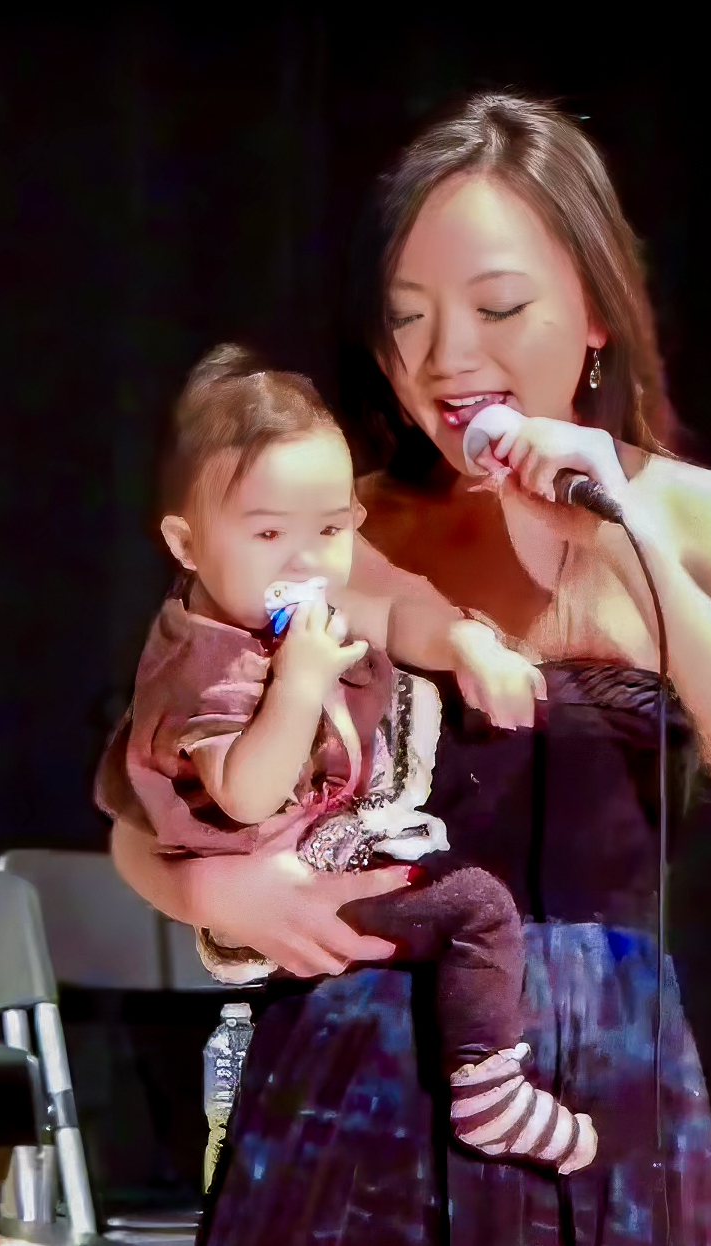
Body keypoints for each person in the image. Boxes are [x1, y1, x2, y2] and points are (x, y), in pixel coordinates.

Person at [106, 94, 711, 1244]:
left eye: (498, 307)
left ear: (596, 312)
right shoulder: (344, 526)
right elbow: (155, 781)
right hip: (348, 1067)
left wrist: (618, 536)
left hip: (599, 1081)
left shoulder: (704, 522)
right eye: (407, 321)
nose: (448, 359)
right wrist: (204, 889)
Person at [105, 343, 595, 1173]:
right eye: (267, 533)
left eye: (330, 529)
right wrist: (296, 687)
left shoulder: (287, 599)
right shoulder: (211, 664)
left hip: (341, 872)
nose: (306, 560)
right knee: (475, 905)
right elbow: (248, 794)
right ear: (186, 545)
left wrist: (466, 644)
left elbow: (392, 610)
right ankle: (488, 1089)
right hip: (288, 895)